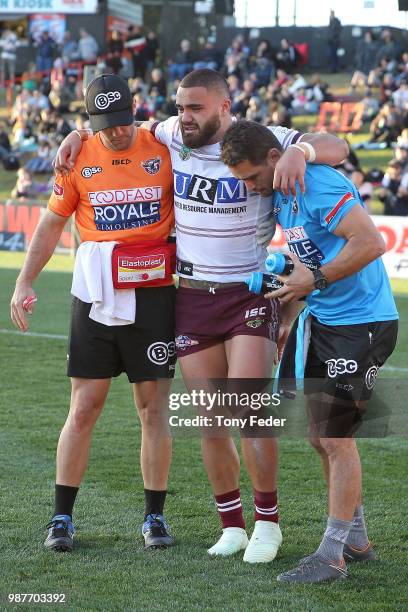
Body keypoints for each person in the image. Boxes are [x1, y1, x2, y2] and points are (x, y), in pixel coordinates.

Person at [53, 68, 349, 563]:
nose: (184, 117)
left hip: (248, 295)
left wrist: (303, 150)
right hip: (191, 295)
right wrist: (77, 133)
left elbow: (336, 144)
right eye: (179, 107)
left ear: (225, 108)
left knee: (250, 413)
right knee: (210, 421)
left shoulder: (264, 139)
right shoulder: (167, 134)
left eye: (195, 108)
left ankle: (268, 524)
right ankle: (231, 525)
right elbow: (113, 130)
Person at [220, 120, 398, 582]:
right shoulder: (281, 191)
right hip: (320, 320)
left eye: (251, 177)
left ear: (274, 160)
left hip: (361, 323)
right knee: (318, 436)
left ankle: (332, 555)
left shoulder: (314, 181)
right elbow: (306, 257)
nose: (249, 187)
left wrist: (313, 282)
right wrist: (287, 313)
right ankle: (355, 537)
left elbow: (371, 242)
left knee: (336, 437)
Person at [10, 74, 177, 552]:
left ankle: (155, 518)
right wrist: (25, 281)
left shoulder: (162, 144)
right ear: (88, 122)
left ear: (135, 110)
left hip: (153, 292)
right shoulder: (78, 153)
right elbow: (52, 221)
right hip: (95, 294)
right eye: (103, 125)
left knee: (152, 409)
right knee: (83, 408)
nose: (116, 132)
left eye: (122, 120)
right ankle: (61, 518)